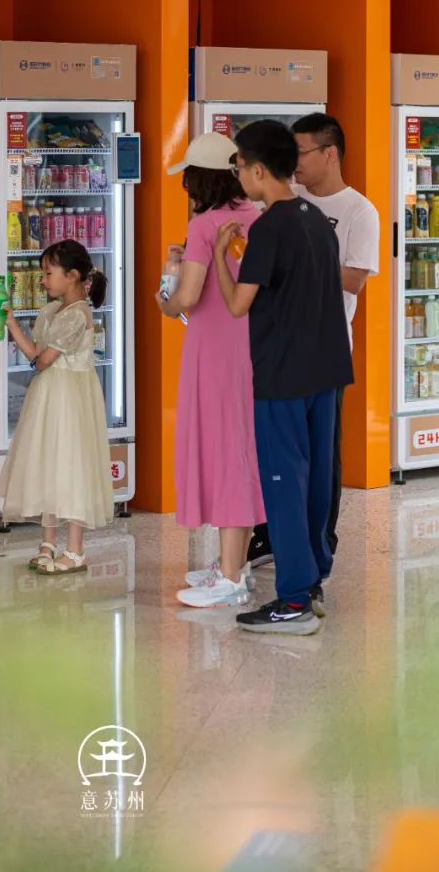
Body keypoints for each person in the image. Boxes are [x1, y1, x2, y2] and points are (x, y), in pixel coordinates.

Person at [213, 119, 352, 636]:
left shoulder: (268, 227)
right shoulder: (317, 220)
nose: (238, 177)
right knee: (315, 481)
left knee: (283, 485)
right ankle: (312, 581)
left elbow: (237, 305)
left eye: (238, 167)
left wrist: (222, 257)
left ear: (257, 169)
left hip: (283, 376)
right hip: (326, 371)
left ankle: (292, 601)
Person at [248, 112, 379, 586]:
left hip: (326, 349)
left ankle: (320, 543)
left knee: (322, 458)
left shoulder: (359, 211)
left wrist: (302, 260)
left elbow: (356, 280)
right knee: (282, 458)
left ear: (330, 153)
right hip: (281, 349)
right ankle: (275, 538)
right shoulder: (287, 204)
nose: (294, 162)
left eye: (301, 152)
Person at [157, 131, 266, 610]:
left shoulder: (205, 225)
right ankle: (233, 565)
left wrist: (164, 293)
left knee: (223, 453)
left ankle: (230, 579)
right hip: (252, 348)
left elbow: (185, 298)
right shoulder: (257, 216)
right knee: (242, 448)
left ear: (200, 181)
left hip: (213, 353)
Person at [0, 240, 114, 572]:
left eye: (49, 274)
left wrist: (34, 353)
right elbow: (36, 353)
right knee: (49, 462)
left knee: (73, 466)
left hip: (70, 398)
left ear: (72, 275)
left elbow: (43, 359)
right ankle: (47, 542)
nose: (43, 280)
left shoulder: (78, 314)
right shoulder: (51, 311)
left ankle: (76, 549)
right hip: (49, 396)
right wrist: (11, 323)